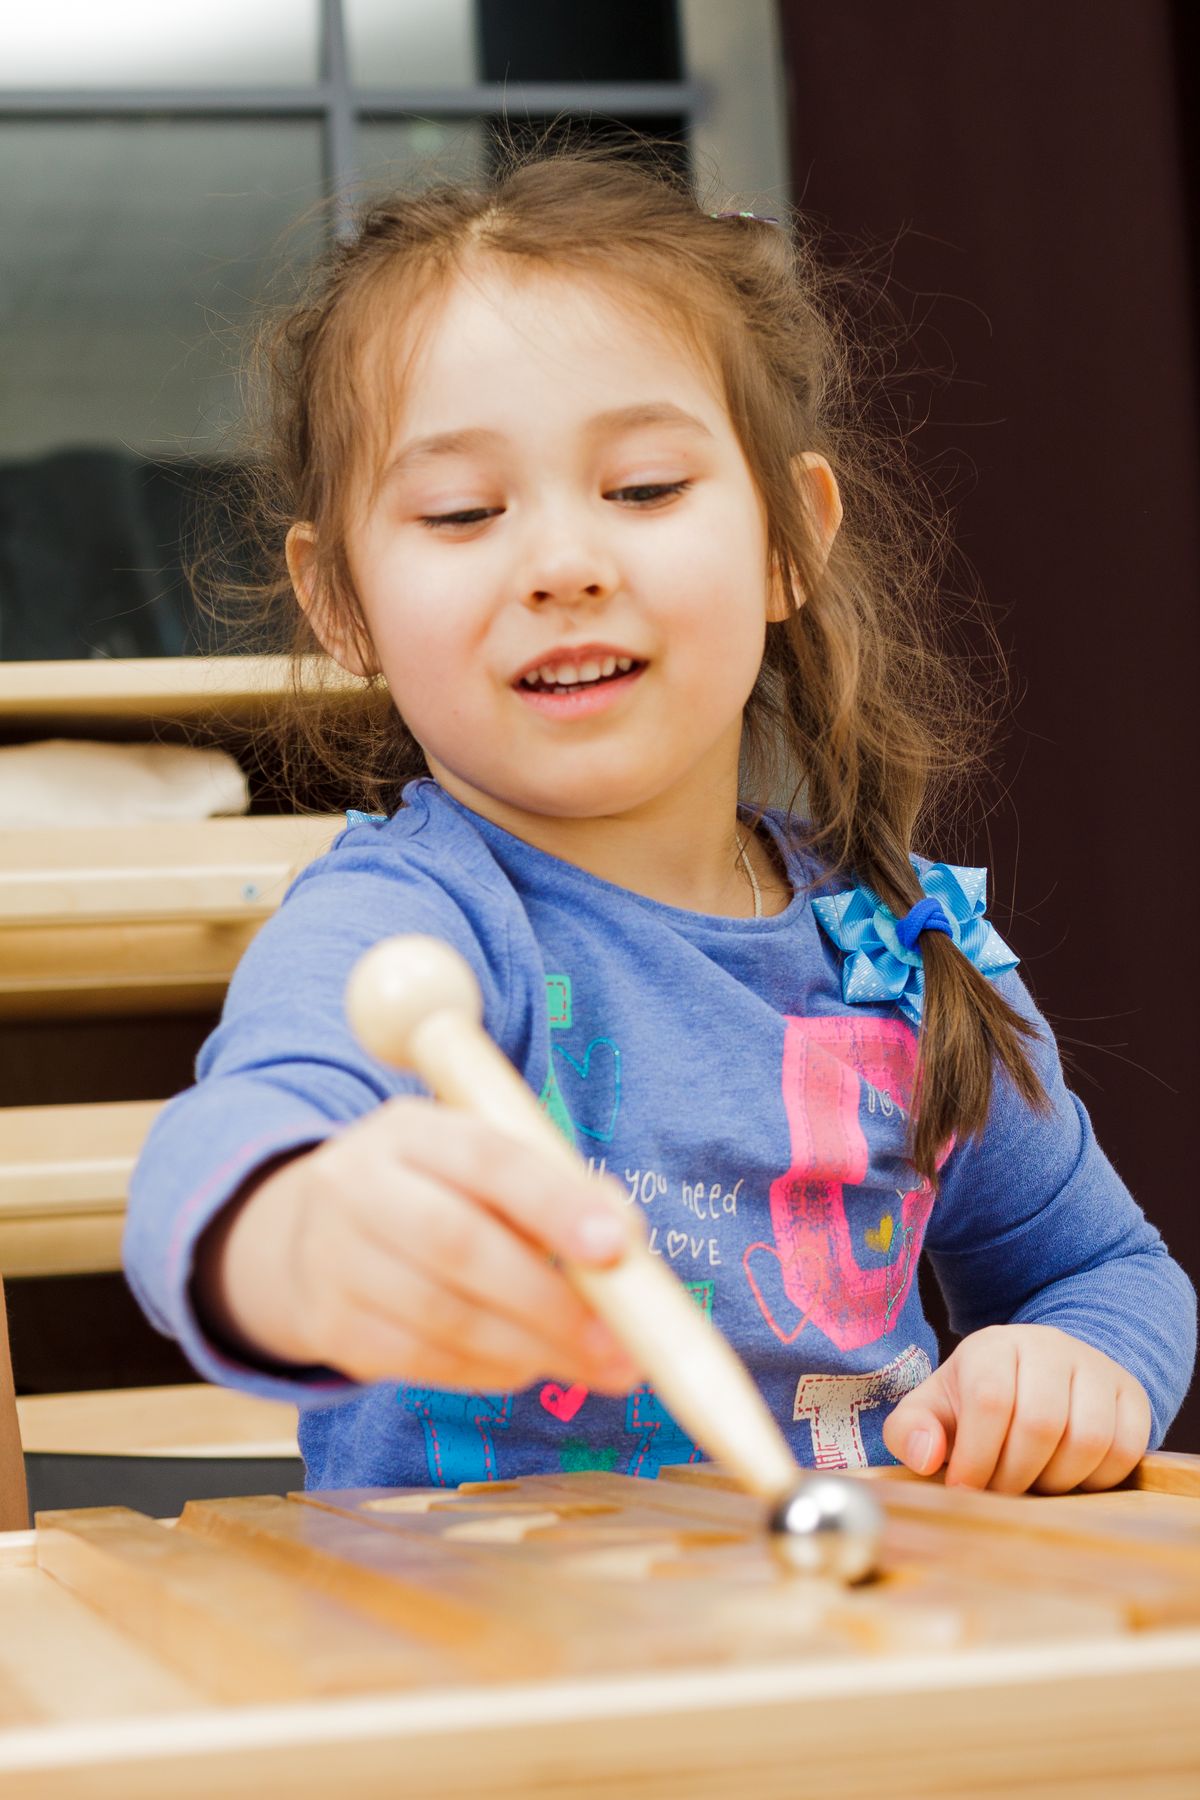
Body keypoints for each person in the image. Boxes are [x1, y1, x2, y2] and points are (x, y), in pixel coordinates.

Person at [125, 146, 1195, 1498]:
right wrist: (295, 1234)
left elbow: (1105, 1271)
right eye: (462, 511)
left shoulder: (901, 945)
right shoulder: (404, 928)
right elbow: (215, 1162)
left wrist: (1068, 1368)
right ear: (341, 601)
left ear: (787, 540)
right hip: (478, 1624)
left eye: (643, 488)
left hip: (855, 1616)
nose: (564, 564)